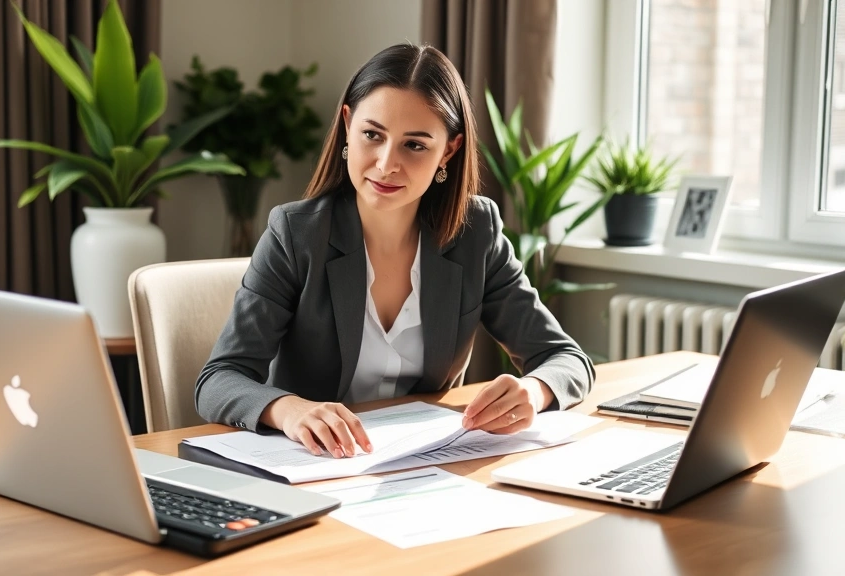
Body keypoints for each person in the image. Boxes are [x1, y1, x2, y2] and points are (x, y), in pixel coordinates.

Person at [195, 43, 594, 459]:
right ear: (348, 125)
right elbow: (219, 378)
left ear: (449, 150)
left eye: (415, 145)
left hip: (423, 466)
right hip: (313, 465)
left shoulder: (476, 233)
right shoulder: (296, 234)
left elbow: (564, 358)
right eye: (373, 135)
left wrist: (534, 390)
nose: (387, 164)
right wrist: (289, 410)